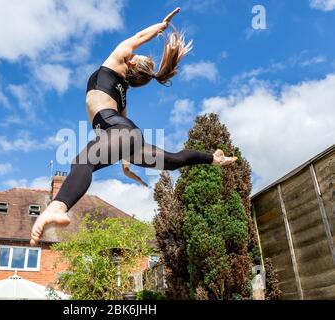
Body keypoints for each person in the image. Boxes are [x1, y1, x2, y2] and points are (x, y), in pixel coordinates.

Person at [30, 7, 237, 246]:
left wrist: (162, 26)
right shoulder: (123, 94)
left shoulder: (116, 63)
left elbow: (138, 36)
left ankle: (57, 206)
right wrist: (127, 165)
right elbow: (124, 137)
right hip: (125, 134)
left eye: (137, 57)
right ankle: (213, 158)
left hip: (120, 131)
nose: (134, 54)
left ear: (132, 64)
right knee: (172, 160)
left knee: (83, 161)